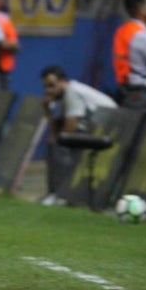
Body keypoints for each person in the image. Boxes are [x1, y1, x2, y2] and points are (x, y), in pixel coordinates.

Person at [38, 65, 117, 205]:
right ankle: (59, 193)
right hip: (96, 130)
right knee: (56, 142)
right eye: (45, 87)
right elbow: (57, 130)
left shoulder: (71, 92)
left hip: (110, 129)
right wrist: (47, 111)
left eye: (51, 86)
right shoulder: (63, 96)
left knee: (59, 145)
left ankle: (60, 195)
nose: (48, 91)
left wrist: (57, 139)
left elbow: (70, 129)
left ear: (63, 82)